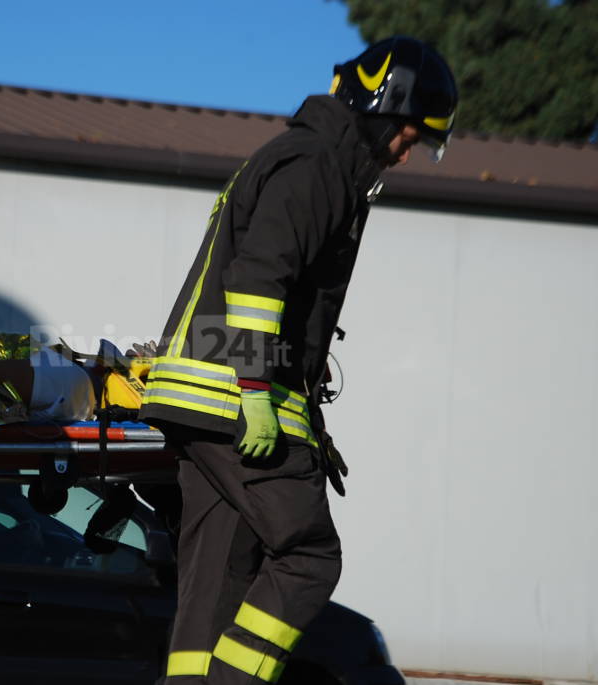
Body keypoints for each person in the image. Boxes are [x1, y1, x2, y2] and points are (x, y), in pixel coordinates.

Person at [138, 36, 458, 684]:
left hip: (201, 397)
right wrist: (256, 388)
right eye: (408, 132)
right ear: (383, 109)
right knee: (310, 555)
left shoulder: (306, 156)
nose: (406, 149)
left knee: (213, 591)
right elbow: (259, 277)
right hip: (233, 394)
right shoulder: (318, 163)